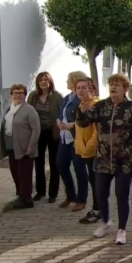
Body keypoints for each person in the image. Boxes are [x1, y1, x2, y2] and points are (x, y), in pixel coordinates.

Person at [77, 73, 132, 245]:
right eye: (111, 85)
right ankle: (106, 223)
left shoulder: (131, 108)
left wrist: (127, 149)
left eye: (117, 85)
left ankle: (122, 230)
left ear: (125, 88)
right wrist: (81, 111)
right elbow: (84, 122)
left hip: (125, 161)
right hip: (102, 158)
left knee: (122, 194)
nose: (113, 87)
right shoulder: (101, 106)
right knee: (100, 193)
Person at [0, 84, 40, 209]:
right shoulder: (9, 109)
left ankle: (27, 199)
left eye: (21, 93)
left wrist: (31, 146)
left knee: (24, 174)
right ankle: (20, 195)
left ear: (25, 95)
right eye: (15, 93)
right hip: (11, 147)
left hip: (24, 147)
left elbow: (36, 129)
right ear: (11, 95)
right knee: (15, 173)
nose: (17, 95)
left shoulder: (29, 109)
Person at [27, 72, 63, 203]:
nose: (43, 82)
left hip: (53, 132)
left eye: (46, 79)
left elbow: (62, 113)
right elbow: (28, 112)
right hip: (38, 133)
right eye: (41, 80)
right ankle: (40, 192)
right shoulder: (33, 96)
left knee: (54, 163)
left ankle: (53, 193)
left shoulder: (57, 97)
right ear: (38, 82)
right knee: (39, 162)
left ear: (50, 82)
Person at [57, 71, 89, 211]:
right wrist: (58, 120)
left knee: (79, 169)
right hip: (64, 138)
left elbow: (85, 117)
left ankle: (81, 199)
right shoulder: (67, 98)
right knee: (61, 165)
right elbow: (61, 112)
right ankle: (71, 195)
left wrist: (72, 125)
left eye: (68, 80)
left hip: (76, 139)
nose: (66, 82)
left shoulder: (81, 99)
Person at [74, 77, 100, 224]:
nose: (80, 90)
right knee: (92, 180)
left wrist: (89, 147)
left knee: (96, 181)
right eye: (78, 88)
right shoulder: (81, 105)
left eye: (84, 87)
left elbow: (97, 132)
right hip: (83, 151)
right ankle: (97, 208)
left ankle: (98, 210)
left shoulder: (95, 105)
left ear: (91, 89)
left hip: (93, 151)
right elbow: (79, 129)